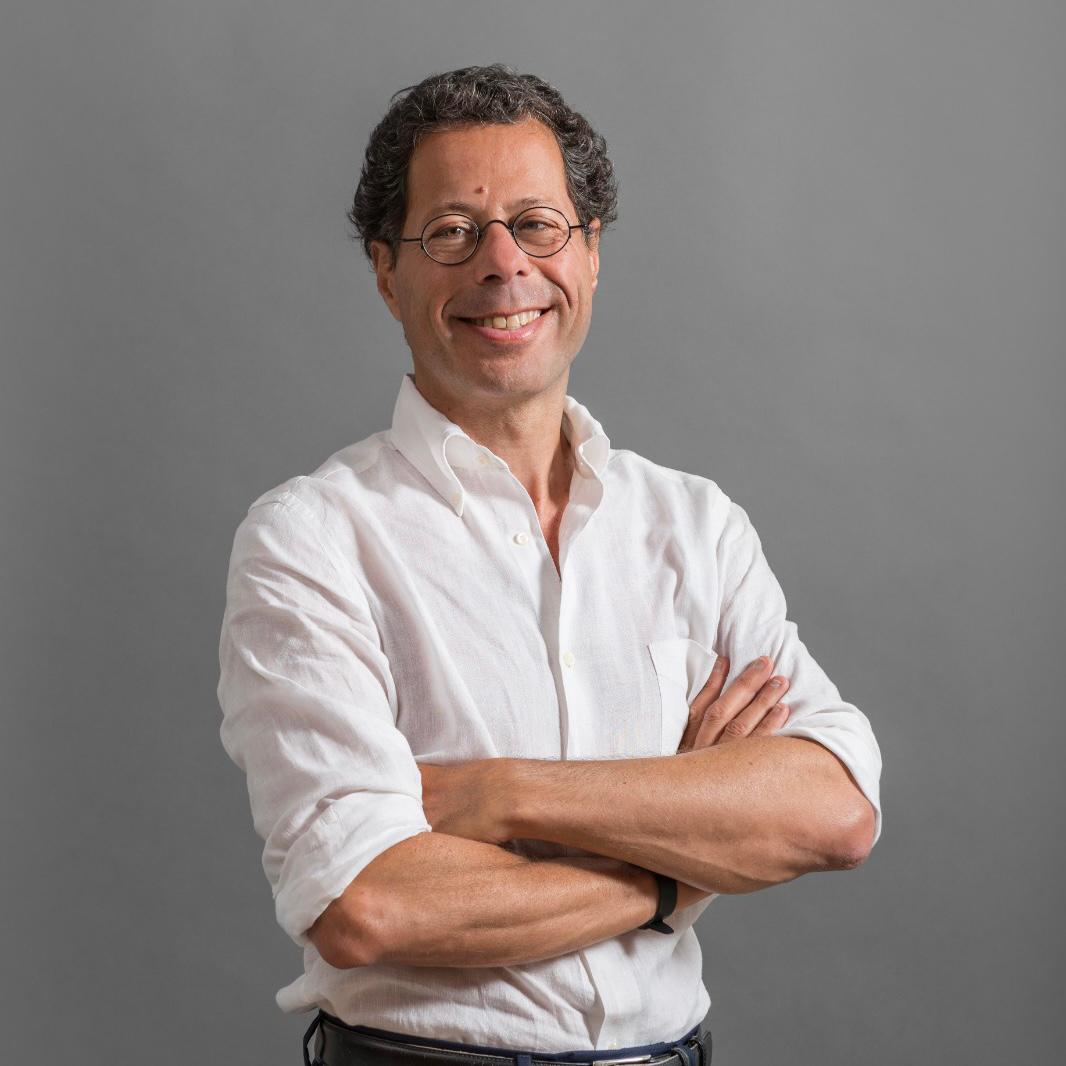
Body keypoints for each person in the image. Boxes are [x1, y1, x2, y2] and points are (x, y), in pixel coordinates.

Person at [217, 64, 882, 1066]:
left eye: (537, 224)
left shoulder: (694, 524)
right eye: (451, 231)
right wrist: (676, 869)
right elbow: (366, 904)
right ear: (385, 270)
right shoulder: (310, 540)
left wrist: (505, 794)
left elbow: (832, 810)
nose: (503, 264)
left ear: (590, 252)